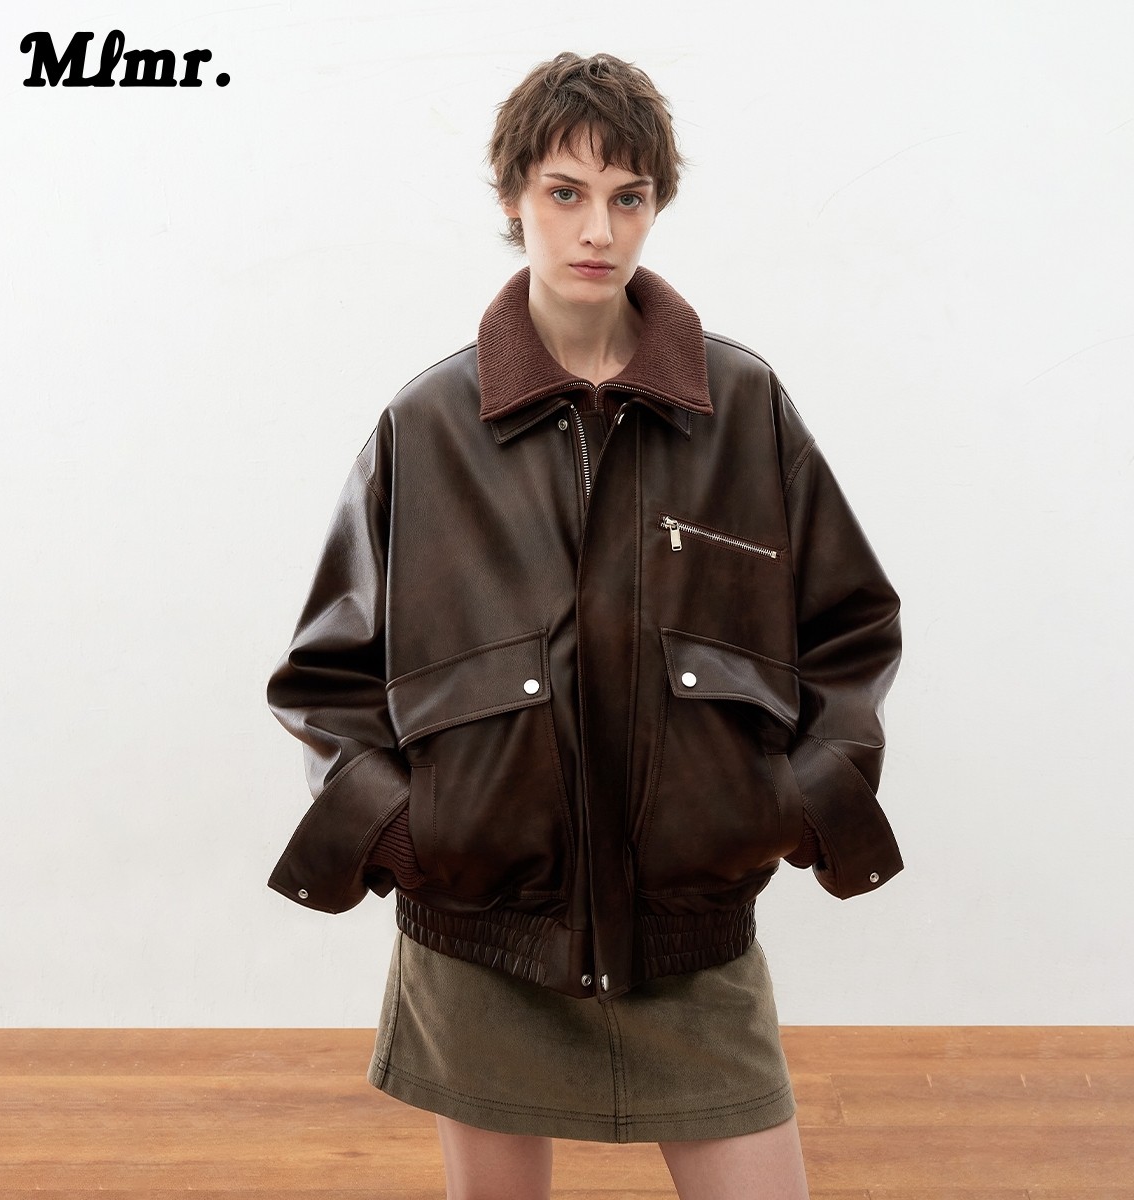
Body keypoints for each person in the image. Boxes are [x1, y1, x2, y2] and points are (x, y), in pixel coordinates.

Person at [266, 51, 903, 1200]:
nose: (598, 229)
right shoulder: (428, 425)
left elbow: (850, 629)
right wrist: (410, 833)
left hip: (688, 938)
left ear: (657, 204)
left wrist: (798, 801)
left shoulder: (741, 408)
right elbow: (326, 680)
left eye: (628, 196)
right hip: (483, 940)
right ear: (515, 198)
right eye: (565, 192)